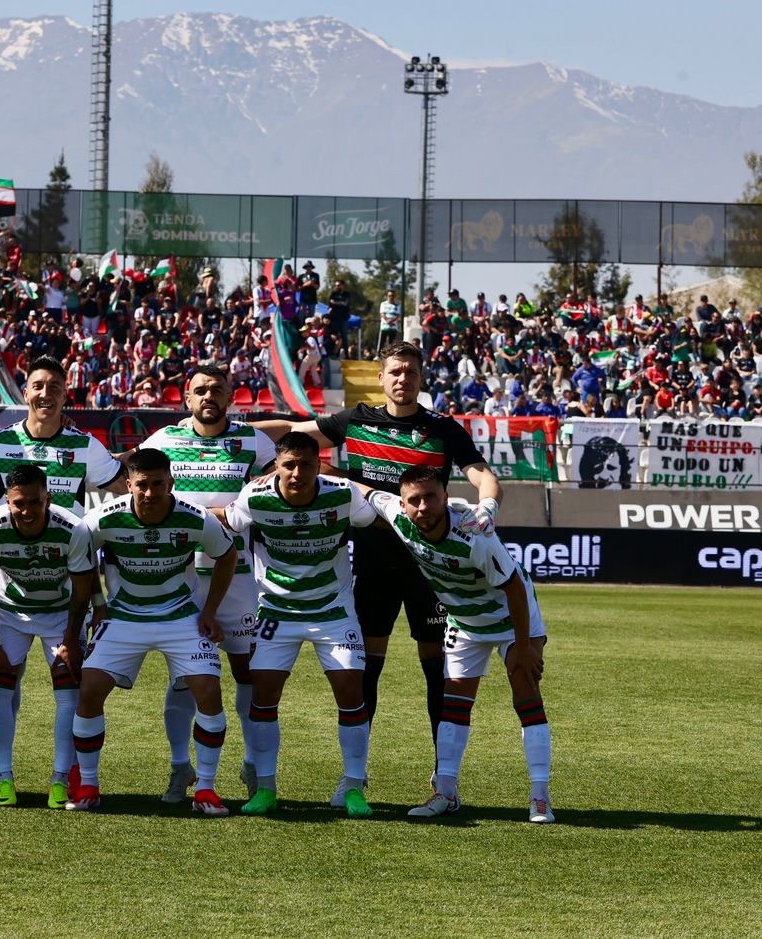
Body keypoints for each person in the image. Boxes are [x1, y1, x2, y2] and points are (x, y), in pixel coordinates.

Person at [256, 340, 500, 806]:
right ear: (382, 377)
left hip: (431, 569)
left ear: (421, 376)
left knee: (439, 674)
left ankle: (444, 783)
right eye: (394, 371)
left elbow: (481, 473)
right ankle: (355, 780)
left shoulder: (442, 429)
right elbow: (290, 430)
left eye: (410, 371)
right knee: (364, 674)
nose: (402, 378)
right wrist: (231, 430)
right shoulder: (357, 421)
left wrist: (488, 503)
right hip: (371, 562)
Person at [353, 464, 553, 823]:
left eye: (431, 497)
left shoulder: (475, 533)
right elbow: (362, 490)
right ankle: (445, 791)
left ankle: (540, 798)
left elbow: (514, 589)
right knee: (454, 705)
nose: (423, 506)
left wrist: (523, 647)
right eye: (414, 500)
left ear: (446, 496)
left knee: (525, 695)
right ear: (402, 503)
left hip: (511, 620)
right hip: (464, 622)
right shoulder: (398, 515)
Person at [216, 433, 377, 818]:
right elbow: (226, 518)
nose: (298, 472)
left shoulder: (341, 493)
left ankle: (354, 786)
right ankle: (266, 788)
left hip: (333, 611)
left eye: (306, 464)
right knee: (264, 696)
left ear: (319, 466)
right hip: (276, 612)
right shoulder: (255, 497)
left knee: (350, 691)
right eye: (289, 464)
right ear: (276, 466)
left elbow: (373, 511)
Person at [69, 448, 237, 816]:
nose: (149, 493)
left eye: (157, 484)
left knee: (208, 690)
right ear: (128, 484)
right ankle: (89, 784)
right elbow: (81, 561)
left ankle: (206, 789)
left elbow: (227, 555)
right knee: (90, 690)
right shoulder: (102, 520)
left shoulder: (194, 518)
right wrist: (99, 605)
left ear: (170, 482)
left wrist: (209, 611)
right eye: (141, 485)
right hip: (125, 617)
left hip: (180, 618)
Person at [140, 364, 276, 803]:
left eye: (216, 389)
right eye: (200, 390)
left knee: (248, 675)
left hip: (240, 582)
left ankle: (254, 764)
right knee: (185, 679)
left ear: (231, 395)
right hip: (181, 581)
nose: (208, 397)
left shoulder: (254, 442)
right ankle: (181, 767)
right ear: (186, 396)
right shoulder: (162, 441)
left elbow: (277, 494)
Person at [0, 464, 97, 808]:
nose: (26, 511)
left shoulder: (72, 528)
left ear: (48, 498)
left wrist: (72, 640)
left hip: (60, 614)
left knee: (67, 690)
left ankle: (61, 777)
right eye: (18, 504)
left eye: (34, 502)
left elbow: (82, 590)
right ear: (7, 501)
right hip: (11, 613)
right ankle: (3, 775)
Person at [0, 356, 124, 511]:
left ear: (64, 396)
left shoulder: (86, 446)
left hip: (65, 538)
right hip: (9, 537)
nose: (45, 394)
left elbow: (131, 488)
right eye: (38, 386)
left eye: (54, 387)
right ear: (26, 394)